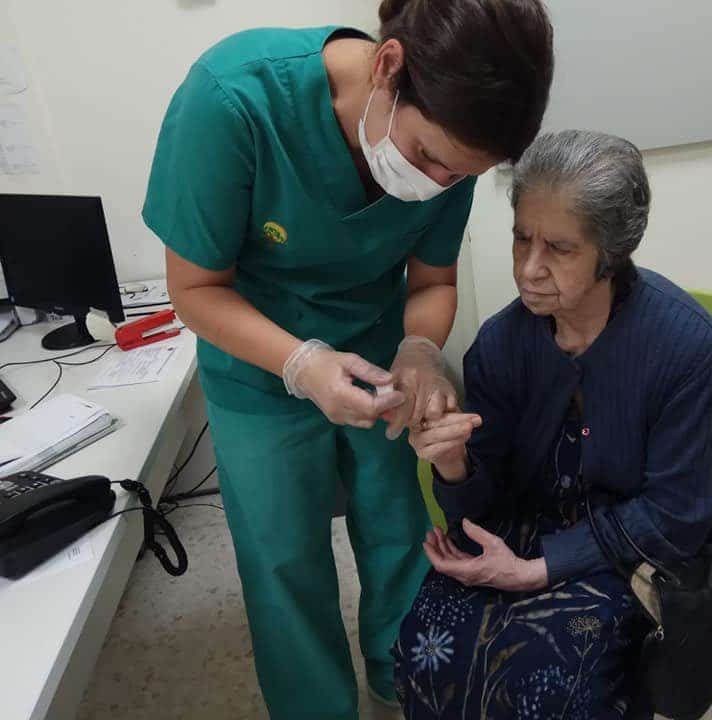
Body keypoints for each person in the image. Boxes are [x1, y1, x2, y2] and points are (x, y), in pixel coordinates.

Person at [141, 2, 553, 718]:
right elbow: (195, 289)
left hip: (377, 351)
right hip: (257, 365)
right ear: (388, 66)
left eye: (458, 176)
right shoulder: (234, 98)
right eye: (427, 157)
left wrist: (420, 351)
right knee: (284, 559)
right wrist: (300, 363)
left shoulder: (451, 153)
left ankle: (408, 680)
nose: (433, 182)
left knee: (399, 530)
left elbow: (431, 283)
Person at [395, 130, 712, 719]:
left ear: (613, 251)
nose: (529, 269)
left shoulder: (685, 346)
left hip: (626, 543)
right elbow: (481, 510)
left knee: (546, 686)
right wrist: (452, 461)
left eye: (560, 249)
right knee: (425, 654)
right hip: (523, 525)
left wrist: (537, 570)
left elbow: (678, 513)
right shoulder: (500, 343)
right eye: (521, 239)